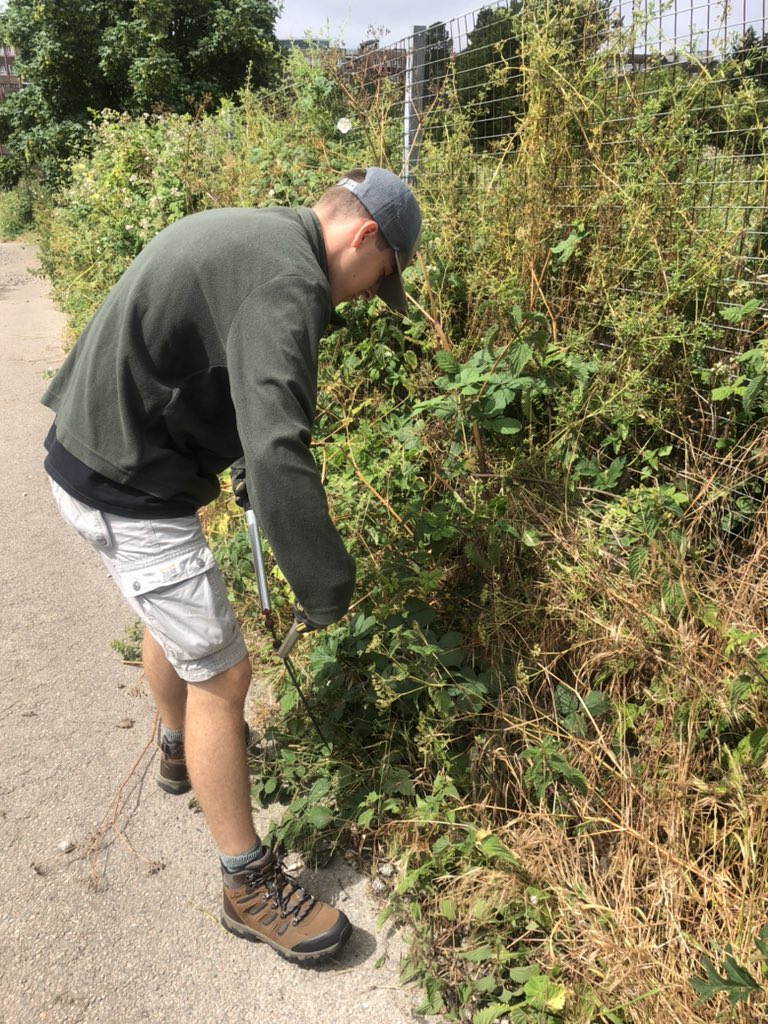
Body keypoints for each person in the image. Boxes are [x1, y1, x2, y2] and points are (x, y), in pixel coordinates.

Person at [41, 167, 422, 963]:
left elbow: (236, 384)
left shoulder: (264, 234)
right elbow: (282, 448)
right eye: (378, 278)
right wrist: (325, 585)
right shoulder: (289, 280)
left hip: (99, 447)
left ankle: (178, 749)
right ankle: (245, 885)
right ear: (365, 238)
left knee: (172, 621)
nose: (363, 297)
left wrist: (244, 461)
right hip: (125, 478)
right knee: (224, 672)